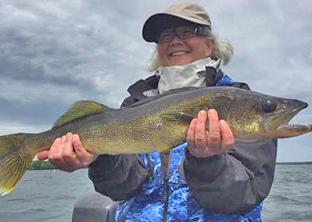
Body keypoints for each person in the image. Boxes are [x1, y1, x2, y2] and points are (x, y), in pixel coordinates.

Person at [38, 2, 277, 222]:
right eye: (165, 36)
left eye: (187, 32)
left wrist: (209, 162)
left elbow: (244, 196)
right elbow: (123, 188)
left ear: (210, 45)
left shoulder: (241, 101)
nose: (174, 41)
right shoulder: (134, 103)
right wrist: (100, 157)